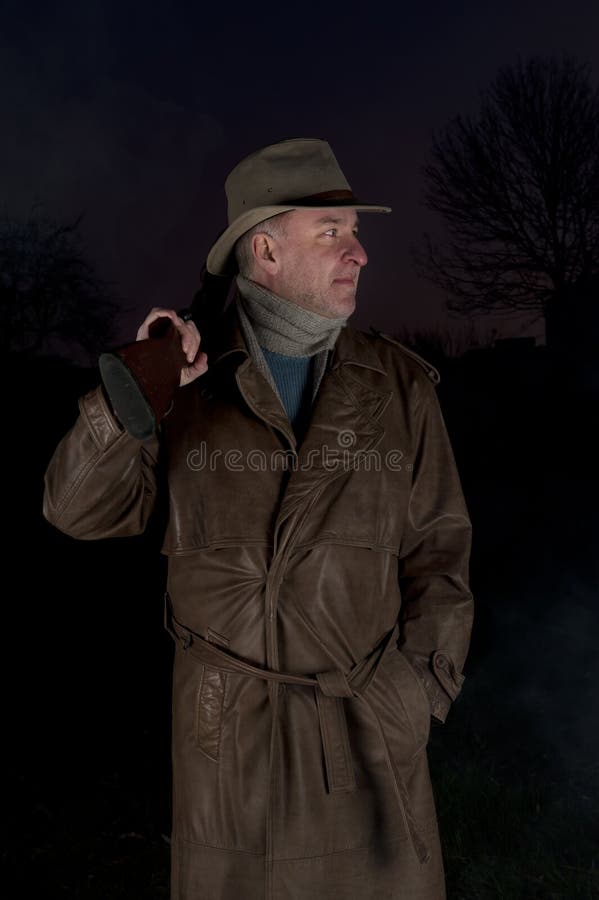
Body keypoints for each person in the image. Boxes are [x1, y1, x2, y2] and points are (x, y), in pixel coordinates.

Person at [43, 137, 473, 899]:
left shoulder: (399, 385)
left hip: (368, 732)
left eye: (353, 232)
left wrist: (419, 690)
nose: (359, 253)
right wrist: (132, 397)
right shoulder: (185, 376)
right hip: (228, 747)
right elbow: (78, 513)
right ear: (265, 249)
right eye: (331, 233)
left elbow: (440, 550)